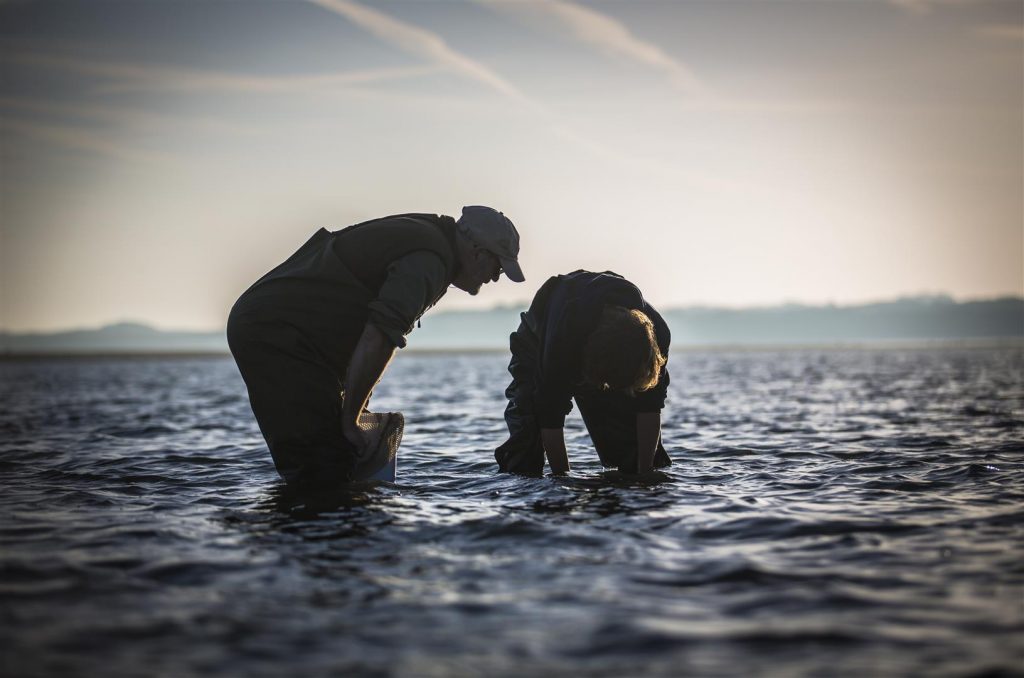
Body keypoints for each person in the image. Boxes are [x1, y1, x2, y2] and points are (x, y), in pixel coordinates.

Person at [228, 206, 524, 486]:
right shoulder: (429, 260)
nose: (495, 278)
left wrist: (352, 412)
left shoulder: (433, 240)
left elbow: (362, 339)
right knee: (324, 462)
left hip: (292, 334)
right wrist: (351, 420)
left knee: (332, 458)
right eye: (498, 268)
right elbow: (379, 337)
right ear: (478, 252)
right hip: (276, 332)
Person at [495, 270, 671, 477]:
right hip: (539, 336)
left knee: (632, 451)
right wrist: (562, 479)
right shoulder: (561, 347)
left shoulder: (656, 337)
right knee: (526, 446)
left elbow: (649, 406)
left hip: (598, 339)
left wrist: (645, 473)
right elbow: (550, 417)